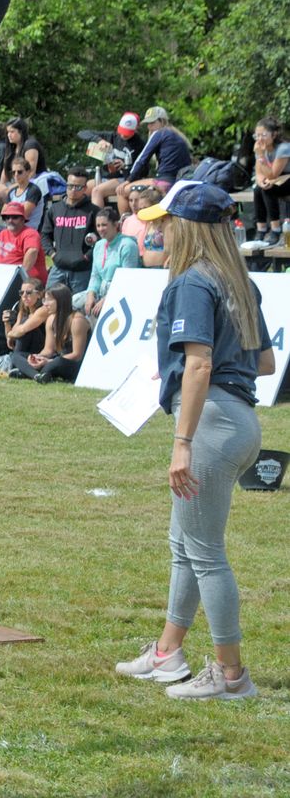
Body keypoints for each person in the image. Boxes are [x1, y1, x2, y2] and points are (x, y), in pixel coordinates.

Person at [112, 181, 272, 700]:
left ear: (189, 229)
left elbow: (201, 363)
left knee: (203, 551)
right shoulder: (239, 282)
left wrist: (182, 440)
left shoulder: (191, 283)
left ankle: (231, 676)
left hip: (210, 425)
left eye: (164, 222)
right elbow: (264, 362)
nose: (154, 229)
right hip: (238, 420)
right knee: (184, 544)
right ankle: (167, 652)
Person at [7, 283, 89, 383]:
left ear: (60, 301)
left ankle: (26, 372)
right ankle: (37, 375)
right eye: (44, 300)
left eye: (49, 300)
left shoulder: (77, 321)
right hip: (56, 359)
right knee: (17, 356)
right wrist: (37, 358)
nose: (45, 304)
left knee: (55, 362)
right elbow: (48, 350)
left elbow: (77, 355)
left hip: (73, 364)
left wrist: (48, 361)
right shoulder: (51, 319)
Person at [82, 206, 141, 317]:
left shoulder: (127, 245)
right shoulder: (99, 245)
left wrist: (106, 300)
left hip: (120, 293)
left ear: (115, 225)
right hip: (100, 291)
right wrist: (90, 295)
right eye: (98, 226)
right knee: (73, 302)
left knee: (97, 312)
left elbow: (127, 280)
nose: (100, 229)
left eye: (104, 225)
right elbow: (95, 275)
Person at [245, 116, 289, 249]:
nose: (259, 139)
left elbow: (273, 174)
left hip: (286, 178)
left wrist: (261, 156)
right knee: (258, 189)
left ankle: (276, 229)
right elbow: (259, 173)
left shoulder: (284, 148)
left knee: (268, 189)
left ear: (274, 134)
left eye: (263, 135)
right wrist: (260, 182)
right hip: (276, 179)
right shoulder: (261, 148)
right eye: (256, 135)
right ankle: (261, 229)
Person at [125, 106, 192, 187]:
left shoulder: (159, 133)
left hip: (165, 181)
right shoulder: (178, 135)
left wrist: (129, 179)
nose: (149, 127)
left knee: (123, 190)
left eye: (152, 122)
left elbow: (142, 159)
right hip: (182, 180)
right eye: (148, 123)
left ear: (162, 121)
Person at [88, 111, 142, 209]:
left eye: (127, 133)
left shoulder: (140, 144)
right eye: (122, 131)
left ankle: (99, 220)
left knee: (97, 191)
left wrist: (126, 166)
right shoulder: (113, 136)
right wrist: (99, 140)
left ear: (135, 130)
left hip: (124, 179)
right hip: (106, 177)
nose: (123, 135)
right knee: (84, 188)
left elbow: (143, 170)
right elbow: (82, 133)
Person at [0, 117, 47, 203]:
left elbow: (31, 173)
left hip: (31, 183)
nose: (8, 135)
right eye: (7, 132)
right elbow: (5, 170)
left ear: (21, 132)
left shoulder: (30, 145)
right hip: (14, 182)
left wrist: (10, 188)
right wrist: (1, 186)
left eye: (12, 132)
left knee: (1, 194)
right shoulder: (12, 147)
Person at [0, 200, 47, 283]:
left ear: (23, 219)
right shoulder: (2, 233)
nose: (10, 220)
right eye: (7, 217)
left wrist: (19, 277)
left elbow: (32, 251)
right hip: (3, 278)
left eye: (15, 217)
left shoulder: (30, 233)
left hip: (27, 282)